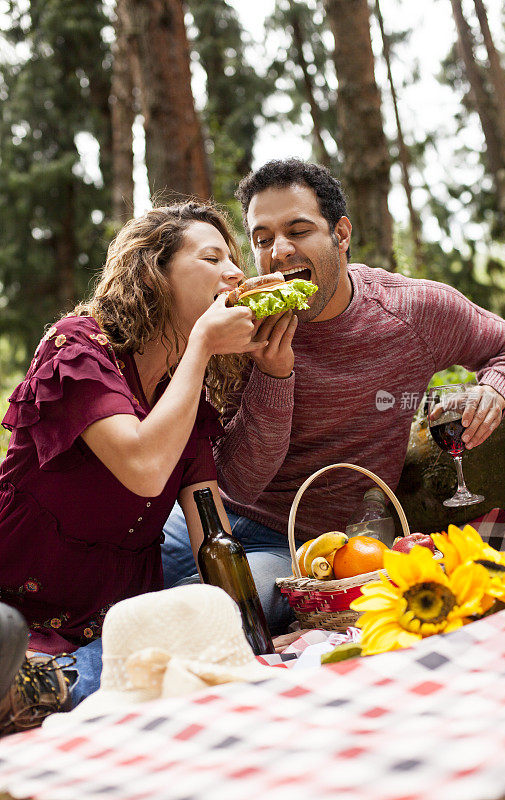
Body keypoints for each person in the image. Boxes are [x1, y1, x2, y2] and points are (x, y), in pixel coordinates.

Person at [162, 158, 505, 634]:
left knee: (198, 619)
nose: (280, 251)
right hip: (206, 514)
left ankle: (62, 678)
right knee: (99, 583)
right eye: (263, 238)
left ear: (341, 234)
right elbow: (239, 484)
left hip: (302, 545)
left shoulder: (411, 312)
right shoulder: (236, 324)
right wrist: (272, 376)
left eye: (298, 230)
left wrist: (494, 390)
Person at [0, 201, 267, 732]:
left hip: (109, 616)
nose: (236, 273)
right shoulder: (78, 347)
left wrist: (247, 634)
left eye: (233, 260)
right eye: (212, 258)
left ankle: (48, 687)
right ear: (153, 273)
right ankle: (42, 680)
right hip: (17, 590)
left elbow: (212, 538)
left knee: (219, 617)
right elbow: (143, 465)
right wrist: (202, 347)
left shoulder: (185, 399)